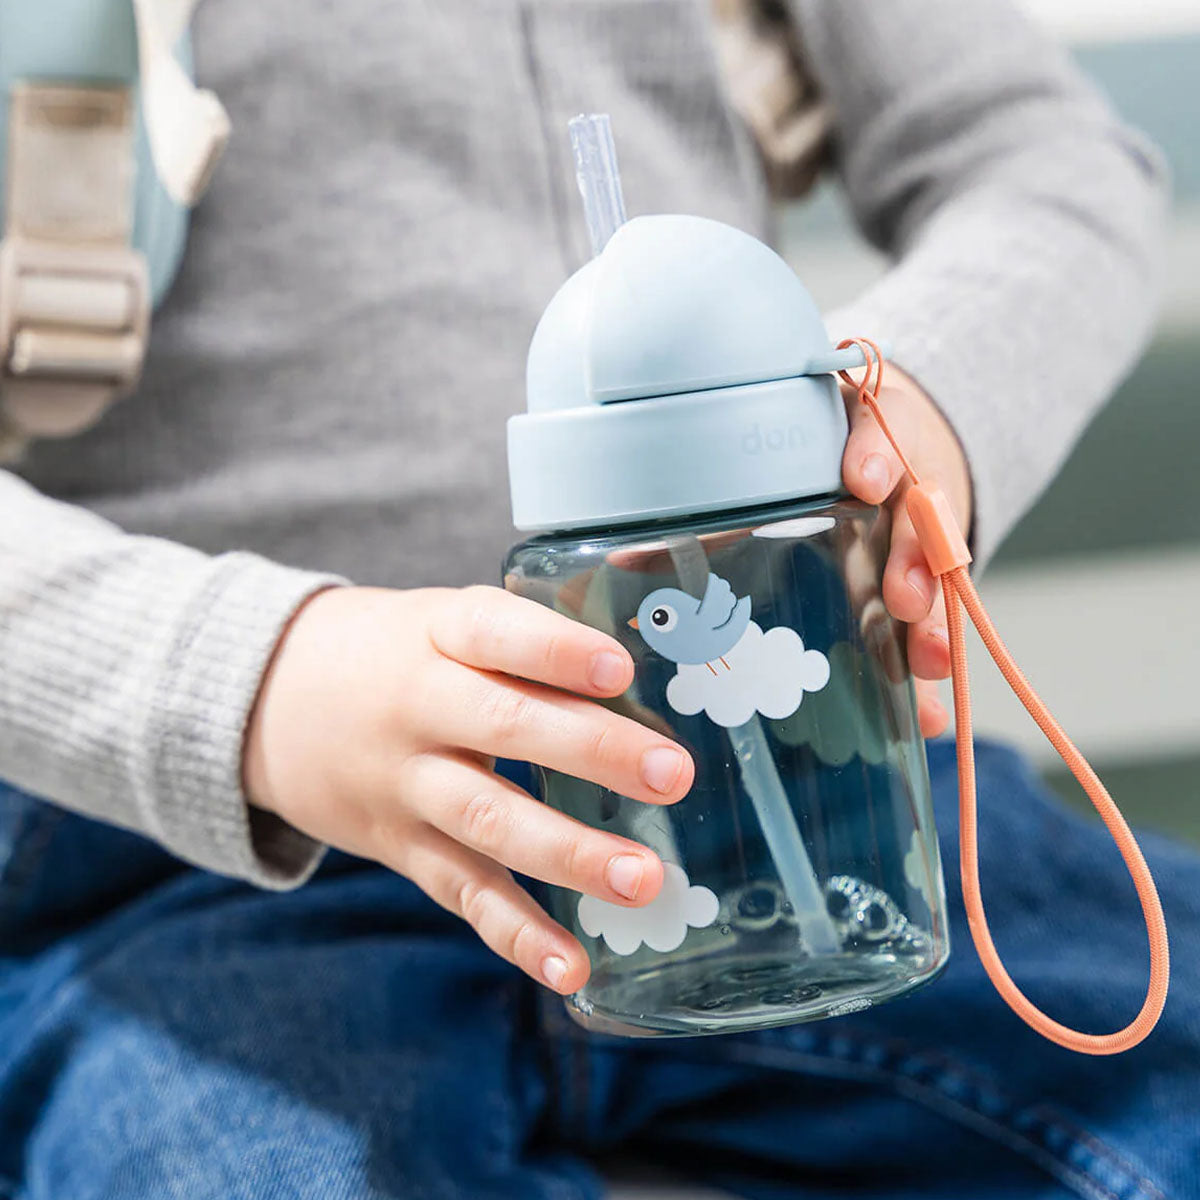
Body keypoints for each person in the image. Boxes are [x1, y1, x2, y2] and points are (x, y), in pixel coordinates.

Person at [0, 1, 1194, 1197]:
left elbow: (1047, 158)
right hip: (196, 866)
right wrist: (252, 681)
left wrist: (911, 400)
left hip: (779, 772)